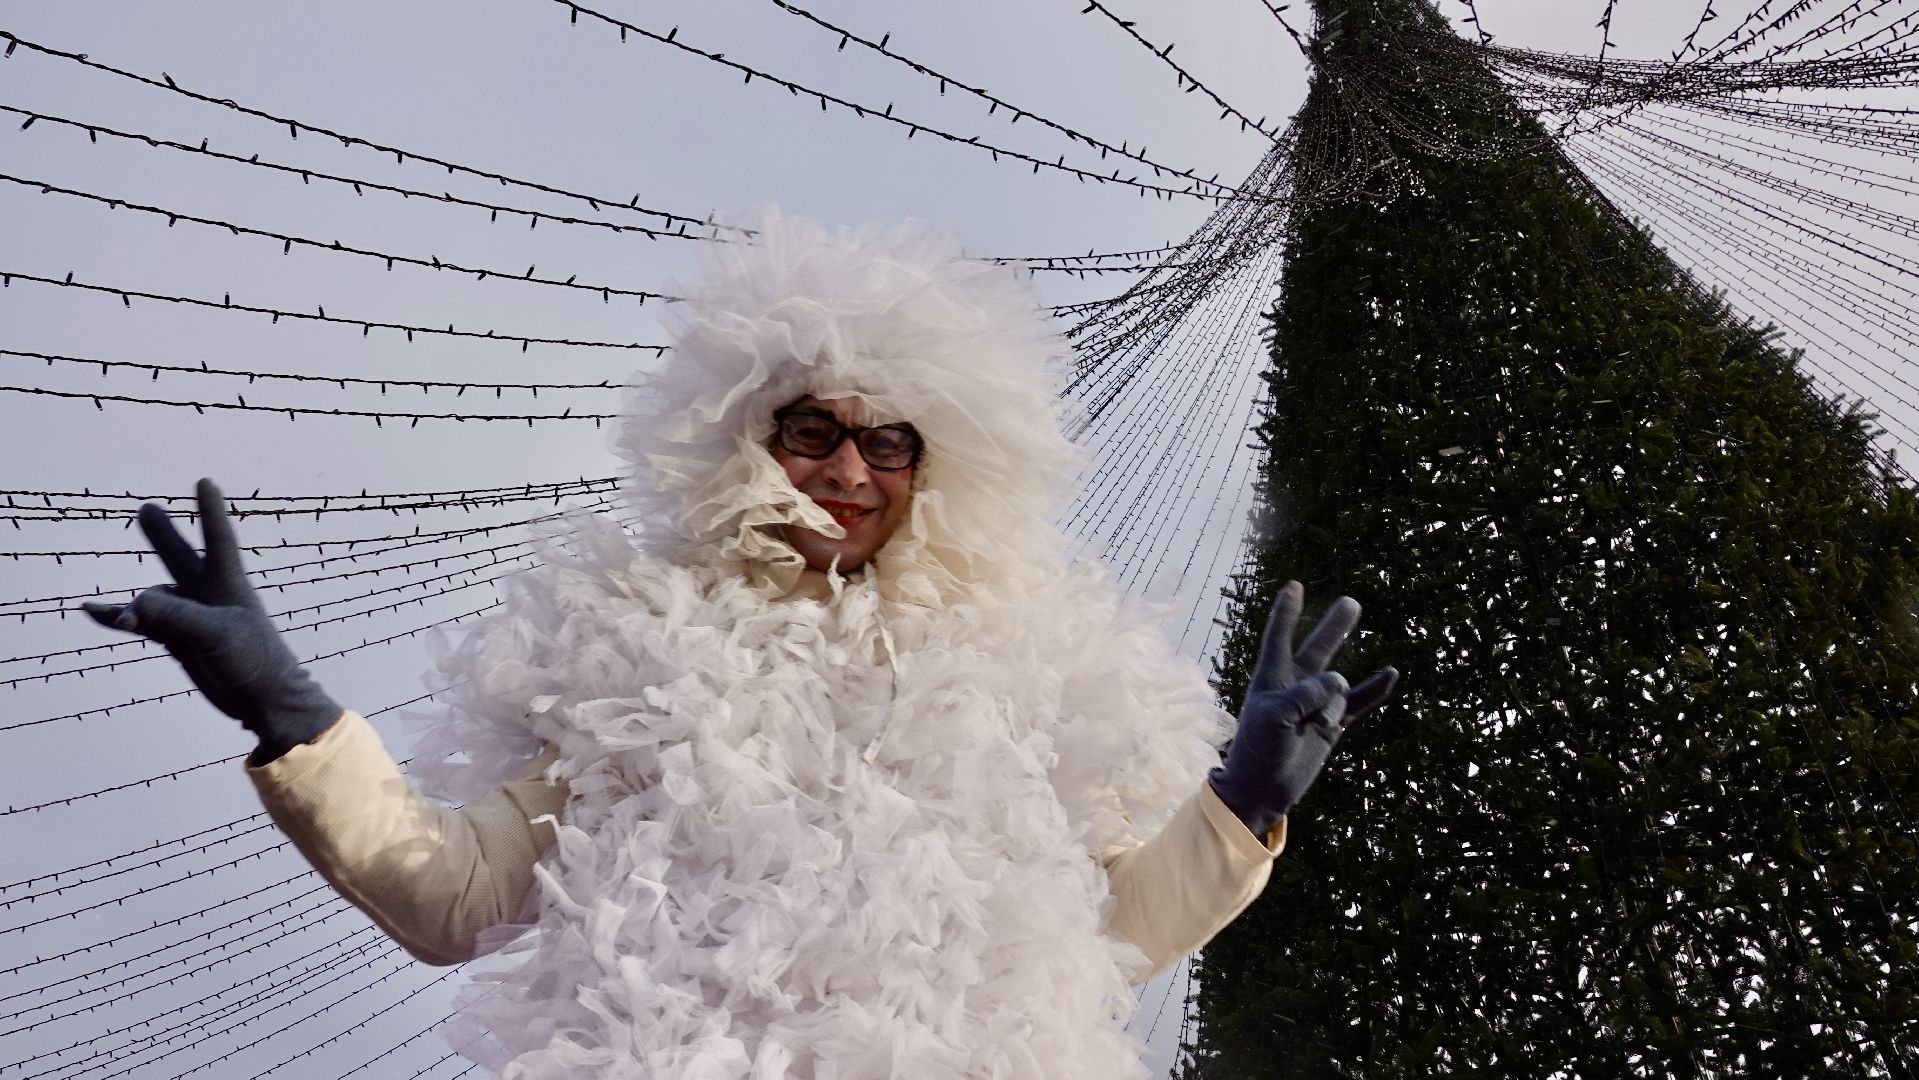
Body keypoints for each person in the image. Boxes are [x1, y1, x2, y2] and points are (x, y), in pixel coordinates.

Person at [85, 212, 1397, 1079]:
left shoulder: (1042, 664)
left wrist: (1240, 806)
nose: (848, 468)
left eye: (890, 441)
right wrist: (297, 722)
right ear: (744, 443)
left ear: (941, 468)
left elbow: (1111, 921)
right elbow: (455, 894)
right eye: (812, 430)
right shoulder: (628, 651)